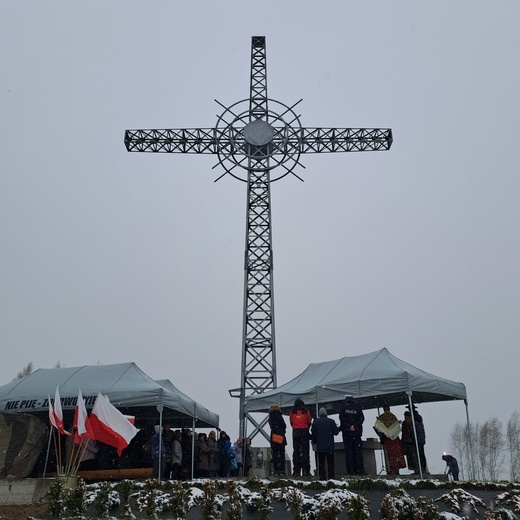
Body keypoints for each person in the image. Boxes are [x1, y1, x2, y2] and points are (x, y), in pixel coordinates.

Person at [374, 404, 406, 475]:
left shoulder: (381, 417)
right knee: (397, 454)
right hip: (395, 438)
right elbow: (397, 427)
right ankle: (397, 470)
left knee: (390, 454)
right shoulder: (393, 417)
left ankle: (392, 470)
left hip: (387, 439)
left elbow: (378, 426)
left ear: (383, 409)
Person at [311, 407, 340, 480]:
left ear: (319, 414)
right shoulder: (331, 421)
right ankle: (331, 477)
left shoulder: (316, 422)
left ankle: (322, 477)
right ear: (326, 414)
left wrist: (314, 441)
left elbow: (313, 433)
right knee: (330, 462)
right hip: (330, 446)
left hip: (320, 446)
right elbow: (336, 433)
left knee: (321, 463)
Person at [339, 394, 365, 475]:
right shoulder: (358, 407)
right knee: (358, 452)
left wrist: (348, 426)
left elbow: (341, 419)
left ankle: (350, 471)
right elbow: (362, 418)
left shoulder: (343, 408)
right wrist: (355, 426)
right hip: (357, 433)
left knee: (349, 453)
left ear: (346, 400)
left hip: (347, 434)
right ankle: (359, 470)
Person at [289, 397, 312, 477]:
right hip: (304, 432)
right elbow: (309, 421)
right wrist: (305, 427)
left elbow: (291, 422)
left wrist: (296, 427)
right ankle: (306, 471)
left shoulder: (292, 411)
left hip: (296, 432)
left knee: (296, 452)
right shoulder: (306, 410)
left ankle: (296, 471)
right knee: (306, 452)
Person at [407, 405, 428, 473]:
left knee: (418, 455)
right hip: (420, 439)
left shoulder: (414, 418)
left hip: (417, 439)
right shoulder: (417, 417)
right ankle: (422, 468)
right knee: (421, 454)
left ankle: (421, 469)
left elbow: (415, 430)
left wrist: (411, 436)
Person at [269, 403, 287, 476]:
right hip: (280, 436)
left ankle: (276, 470)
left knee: (275, 454)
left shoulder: (270, 416)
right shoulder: (279, 415)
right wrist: (282, 431)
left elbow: (270, 425)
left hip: (273, 436)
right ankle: (281, 470)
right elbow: (284, 425)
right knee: (282, 453)